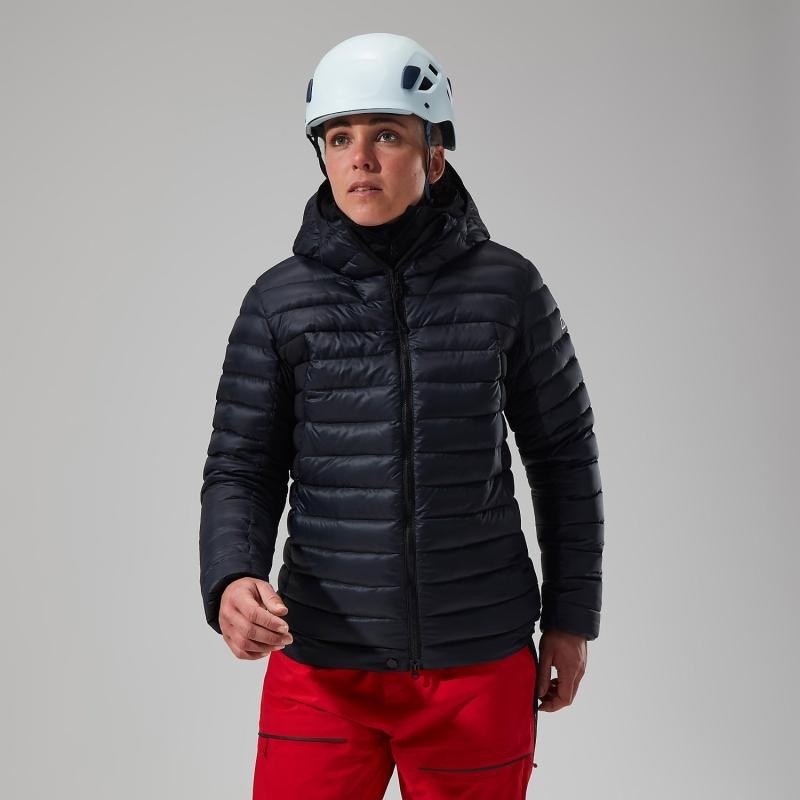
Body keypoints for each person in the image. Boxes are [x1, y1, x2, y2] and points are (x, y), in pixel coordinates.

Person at [198, 32, 604, 799]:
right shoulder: (278, 301)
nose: (361, 158)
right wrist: (231, 576)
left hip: (476, 664)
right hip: (321, 663)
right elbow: (241, 467)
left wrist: (571, 617)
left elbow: (564, 457)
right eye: (339, 138)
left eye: (386, 134)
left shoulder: (508, 289)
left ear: (435, 154)